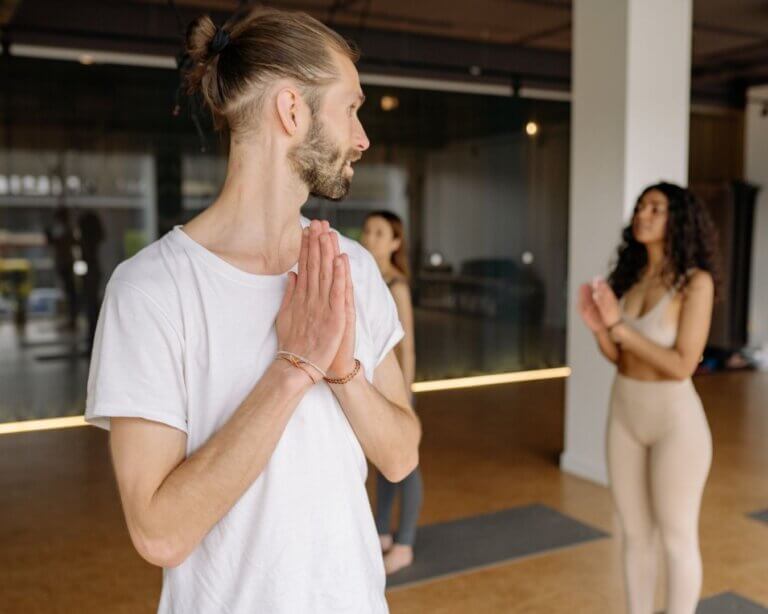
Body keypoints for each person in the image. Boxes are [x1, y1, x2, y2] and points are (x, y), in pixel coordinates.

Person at [84, 8, 420, 613]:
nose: (362, 137)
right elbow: (158, 534)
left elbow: (401, 456)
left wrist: (343, 371)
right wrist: (294, 368)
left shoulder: (351, 267)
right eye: (350, 108)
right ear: (292, 110)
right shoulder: (150, 291)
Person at [578, 182, 719, 614]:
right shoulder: (633, 278)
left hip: (675, 423)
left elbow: (681, 365)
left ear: (680, 219)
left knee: (676, 538)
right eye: (641, 207)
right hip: (625, 413)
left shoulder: (695, 284)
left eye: (656, 208)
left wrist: (618, 328)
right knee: (635, 535)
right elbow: (622, 359)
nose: (643, 214)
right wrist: (600, 328)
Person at [361, 210, 423, 574]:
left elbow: (407, 347)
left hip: (396, 390)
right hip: (374, 387)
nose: (370, 238)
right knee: (383, 463)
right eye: (368, 230)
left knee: (406, 466)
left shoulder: (396, 286)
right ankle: (382, 532)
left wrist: (407, 398)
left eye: (380, 233)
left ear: (396, 242)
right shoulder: (367, 277)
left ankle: (404, 545)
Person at [45, 204, 78, 330]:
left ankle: (72, 320)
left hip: (66, 264)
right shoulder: (64, 230)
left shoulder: (66, 230)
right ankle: (72, 319)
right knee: (70, 293)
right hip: (65, 264)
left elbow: (60, 242)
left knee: (71, 294)